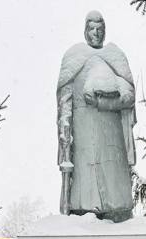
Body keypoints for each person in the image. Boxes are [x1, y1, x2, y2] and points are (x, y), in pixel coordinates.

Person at [56, 11, 136, 222]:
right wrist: (64, 132)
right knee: (85, 178)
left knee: (113, 177)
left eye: (100, 29)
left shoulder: (114, 56)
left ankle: (117, 210)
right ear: (85, 30)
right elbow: (65, 98)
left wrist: (103, 103)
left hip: (112, 131)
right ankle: (83, 210)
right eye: (92, 29)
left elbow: (129, 97)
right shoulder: (74, 56)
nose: (96, 33)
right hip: (82, 131)